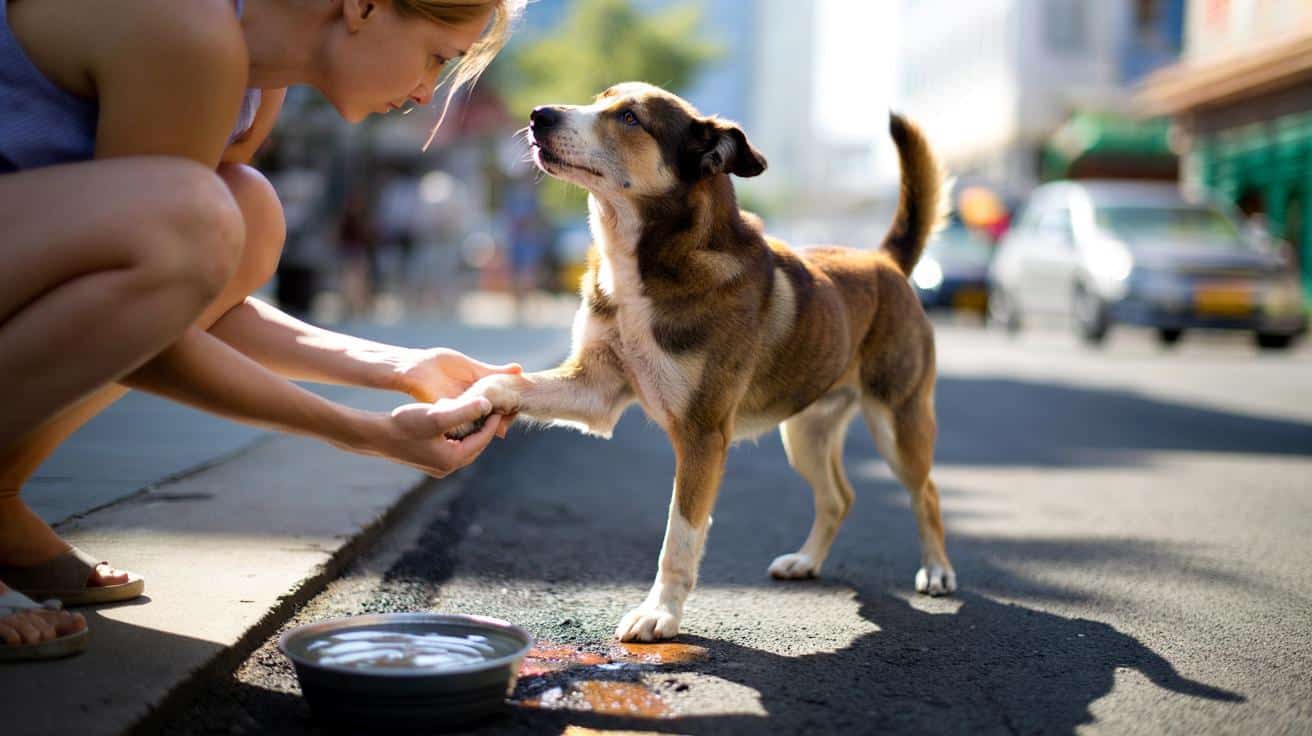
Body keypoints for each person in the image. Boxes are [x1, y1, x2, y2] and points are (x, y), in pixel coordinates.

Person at [0, 0, 527, 660]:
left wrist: (396, 366)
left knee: (245, 215)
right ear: (363, 5)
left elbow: (166, 310)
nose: (426, 93)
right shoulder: (187, 32)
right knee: (199, 218)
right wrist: (362, 432)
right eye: (436, 58)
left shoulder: (256, 78)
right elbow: (153, 311)